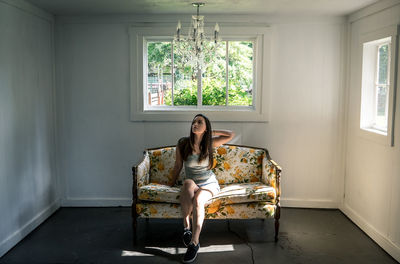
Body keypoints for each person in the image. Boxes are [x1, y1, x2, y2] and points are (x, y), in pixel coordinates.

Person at [169, 114, 235, 263]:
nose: (195, 124)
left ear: (205, 128)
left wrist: (209, 131)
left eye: (200, 122)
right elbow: (178, 165)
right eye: (194, 122)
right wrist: (171, 183)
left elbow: (231, 134)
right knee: (186, 183)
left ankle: (194, 242)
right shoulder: (183, 143)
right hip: (192, 182)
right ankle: (186, 227)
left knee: (198, 200)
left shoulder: (209, 143)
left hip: (208, 183)